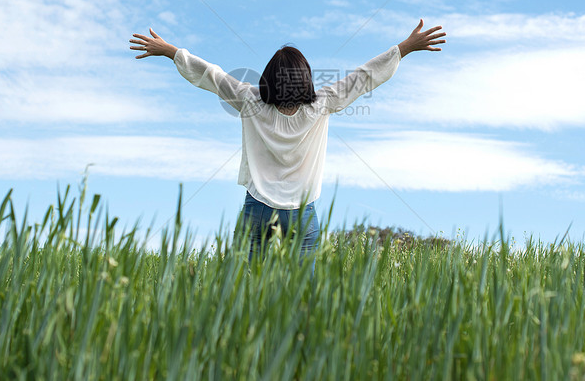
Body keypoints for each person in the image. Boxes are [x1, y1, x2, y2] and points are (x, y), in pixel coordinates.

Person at [129, 19, 446, 276]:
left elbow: (211, 74)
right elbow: (364, 77)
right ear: (305, 79)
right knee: (300, 296)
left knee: (244, 284)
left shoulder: (250, 101)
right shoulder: (321, 104)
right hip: (301, 213)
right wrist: (404, 48)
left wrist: (170, 51)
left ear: (267, 79)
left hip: (257, 208)